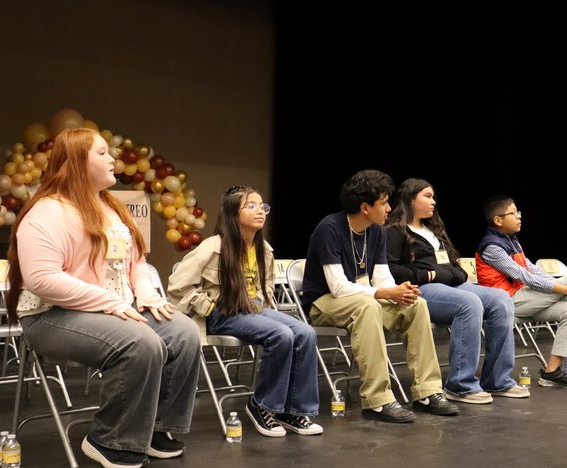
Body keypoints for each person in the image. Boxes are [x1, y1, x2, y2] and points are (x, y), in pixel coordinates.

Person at [6, 127, 202, 468]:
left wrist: (145, 293)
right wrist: (110, 302)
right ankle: (110, 439)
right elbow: (42, 279)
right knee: (141, 343)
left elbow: (137, 262)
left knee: (183, 332)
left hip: (115, 307)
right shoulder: (47, 212)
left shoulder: (111, 208)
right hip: (52, 315)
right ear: (76, 162)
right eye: (101, 153)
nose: (112, 159)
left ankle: (156, 429)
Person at [301, 169, 460, 423]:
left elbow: (382, 277)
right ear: (365, 207)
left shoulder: (376, 231)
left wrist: (400, 292)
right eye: (384, 203)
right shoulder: (329, 229)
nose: (389, 208)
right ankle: (377, 400)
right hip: (324, 302)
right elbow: (339, 287)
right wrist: (385, 292)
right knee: (367, 306)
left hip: (363, 298)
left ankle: (428, 392)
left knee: (416, 305)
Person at [168, 186, 322, 437]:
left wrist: (264, 305)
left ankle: (293, 410)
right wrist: (207, 308)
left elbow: (267, 287)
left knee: (305, 332)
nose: (260, 210)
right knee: (281, 334)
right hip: (223, 313)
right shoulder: (213, 246)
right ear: (232, 213)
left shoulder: (265, 249)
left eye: (262, 206)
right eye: (250, 206)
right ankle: (263, 406)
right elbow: (178, 285)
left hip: (256, 310)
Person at [385, 179, 528, 404]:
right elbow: (392, 271)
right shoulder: (395, 231)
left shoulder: (434, 231)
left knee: (500, 298)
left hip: (451, 285)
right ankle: (460, 385)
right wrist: (429, 275)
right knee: (469, 302)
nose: (434, 201)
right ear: (411, 199)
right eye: (428, 196)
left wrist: (437, 273)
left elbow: (458, 270)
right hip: (420, 290)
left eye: (433, 197)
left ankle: (497, 380)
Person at [476, 194, 567, 389]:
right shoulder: (491, 247)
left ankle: (551, 371)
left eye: (518, 212)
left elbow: (532, 269)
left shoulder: (512, 241)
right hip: (504, 302)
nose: (519, 216)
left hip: (523, 299)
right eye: (513, 213)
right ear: (498, 220)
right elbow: (523, 276)